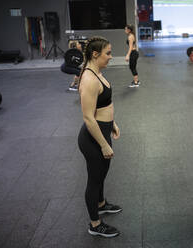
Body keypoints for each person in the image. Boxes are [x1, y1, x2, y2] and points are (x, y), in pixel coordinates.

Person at [77, 36, 122, 238]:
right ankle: (95, 224)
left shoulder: (98, 72)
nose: (110, 57)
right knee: (94, 179)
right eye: (108, 53)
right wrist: (104, 145)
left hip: (103, 131)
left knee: (102, 173)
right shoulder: (88, 79)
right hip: (93, 138)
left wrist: (112, 122)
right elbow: (88, 117)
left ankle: (101, 204)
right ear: (95, 54)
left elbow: (102, 105)